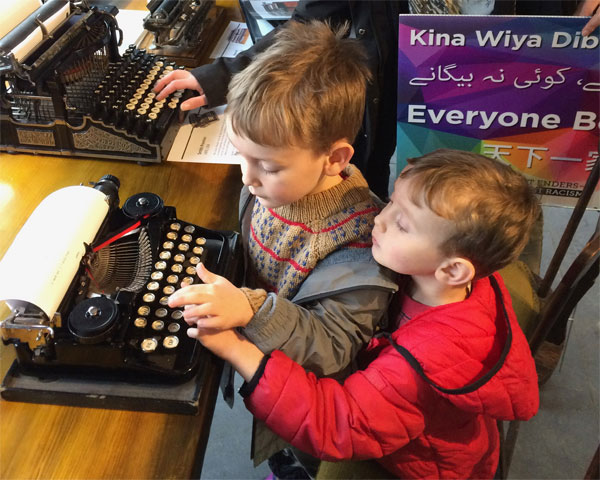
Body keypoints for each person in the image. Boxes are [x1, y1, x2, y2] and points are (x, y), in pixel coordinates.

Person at [187, 149, 542, 479]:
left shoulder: (420, 365)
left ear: (452, 271)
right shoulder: (442, 280)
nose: (379, 219)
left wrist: (236, 348)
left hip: (419, 463)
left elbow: (339, 425)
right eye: (390, 203)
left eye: (403, 225)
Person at [167, 19, 397, 476]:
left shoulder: (359, 242)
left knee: (307, 459)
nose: (249, 179)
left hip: (313, 394)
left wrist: (251, 309)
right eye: (241, 156)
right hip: (271, 357)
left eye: (267, 166)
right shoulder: (275, 187)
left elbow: (332, 347)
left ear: (336, 159)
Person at [153, 0, 598, 201]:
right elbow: (309, 23)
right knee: (403, 210)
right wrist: (225, 75)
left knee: (498, 210)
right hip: (397, 109)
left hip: (519, 111)